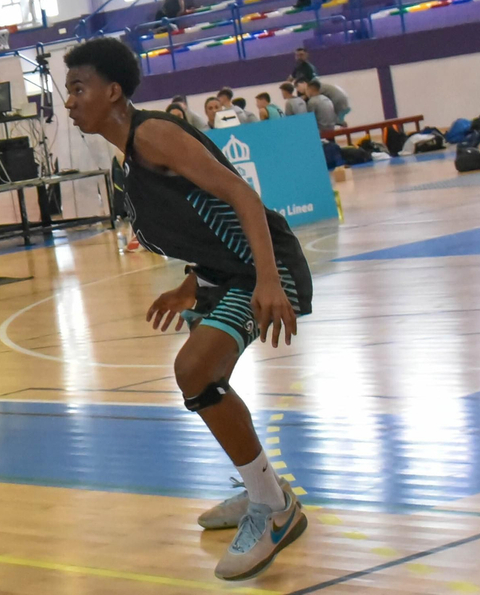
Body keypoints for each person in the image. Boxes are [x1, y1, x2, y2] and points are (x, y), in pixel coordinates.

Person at [61, 36, 311, 581]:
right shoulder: (128, 160)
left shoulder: (155, 135)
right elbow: (203, 226)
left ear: (113, 92)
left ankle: (273, 508)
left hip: (262, 270)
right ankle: (262, 491)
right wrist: (189, 286)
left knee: (193, 368)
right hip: (224, 277)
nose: (69, 101)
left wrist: (268, 280)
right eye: (67, 90)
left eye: (79, 89)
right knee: (203, 381)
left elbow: (242, 197)